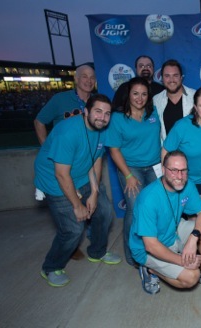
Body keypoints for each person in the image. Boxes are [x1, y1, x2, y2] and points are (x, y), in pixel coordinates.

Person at [35, 94, 121, 287]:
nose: (102, 117)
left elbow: (96, 159)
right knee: (73, 229)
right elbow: (61, 175)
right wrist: (77, 205)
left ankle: (97, 252)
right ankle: (50, 267)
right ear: (86, 111)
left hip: (81, 173)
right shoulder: (68, 132)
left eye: (107, 113)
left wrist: (94, 192)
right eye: (98, 111)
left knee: (105, 212)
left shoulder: (102, 129)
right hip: (55, 180)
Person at [130, 150, 201, 294]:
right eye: (174, 170)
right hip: (147, 249)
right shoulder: (148, 199)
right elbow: (151, 245)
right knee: (191, 277)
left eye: (183, 170)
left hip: (172, 231)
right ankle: (150, 269)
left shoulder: (187, 185)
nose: (179, 176)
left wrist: (193, 238)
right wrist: (182, 261)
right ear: (163, 170)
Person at [105, 77, 161, 267]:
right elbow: (114, 150)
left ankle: (155, 247)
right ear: (128, 95)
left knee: (155, 208)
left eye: (144, 94)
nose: (140, 98)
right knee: (135, 209)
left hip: (154, 167)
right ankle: (132, 254)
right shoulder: (117, 118)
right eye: (135, 93)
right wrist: (128, 175)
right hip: (131, 169)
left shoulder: (153, 113)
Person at [163, 87, 201, 215]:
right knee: (185, 220)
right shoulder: (182, 126)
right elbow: (166, 151)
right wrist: (167, 176)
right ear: (195, 107)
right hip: (182, 179)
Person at [34, 64, 96, 145]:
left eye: (92, 77)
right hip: (65, 154)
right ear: (76, 79)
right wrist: (46, 149)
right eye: (84, 76)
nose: (89, 80)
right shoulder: (60, 99)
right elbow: (39, 122)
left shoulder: (98, 101)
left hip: (90, 154)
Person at [154, 59, 196, 142]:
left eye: (175, 75)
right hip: (166, 153)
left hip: (191, 151)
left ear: (181, 77)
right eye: (167, 76)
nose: (171, 80)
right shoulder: (155, 100)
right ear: (162, 78)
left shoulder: (195, 97)